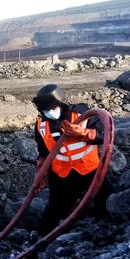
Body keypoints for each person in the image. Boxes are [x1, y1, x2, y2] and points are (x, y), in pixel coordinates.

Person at [32, 84, 112, 234]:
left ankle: (110, 230)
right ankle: (42, 237)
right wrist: (41, 167)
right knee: (54, 210)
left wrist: (85, 133)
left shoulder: (81, 114)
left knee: (106, 199)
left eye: (53, 108)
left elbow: (105, 135)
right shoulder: (41, 125)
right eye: (46, 110)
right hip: (61, 175)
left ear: (62, 104)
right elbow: (43, 150)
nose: (50, 112)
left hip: (89, 170)